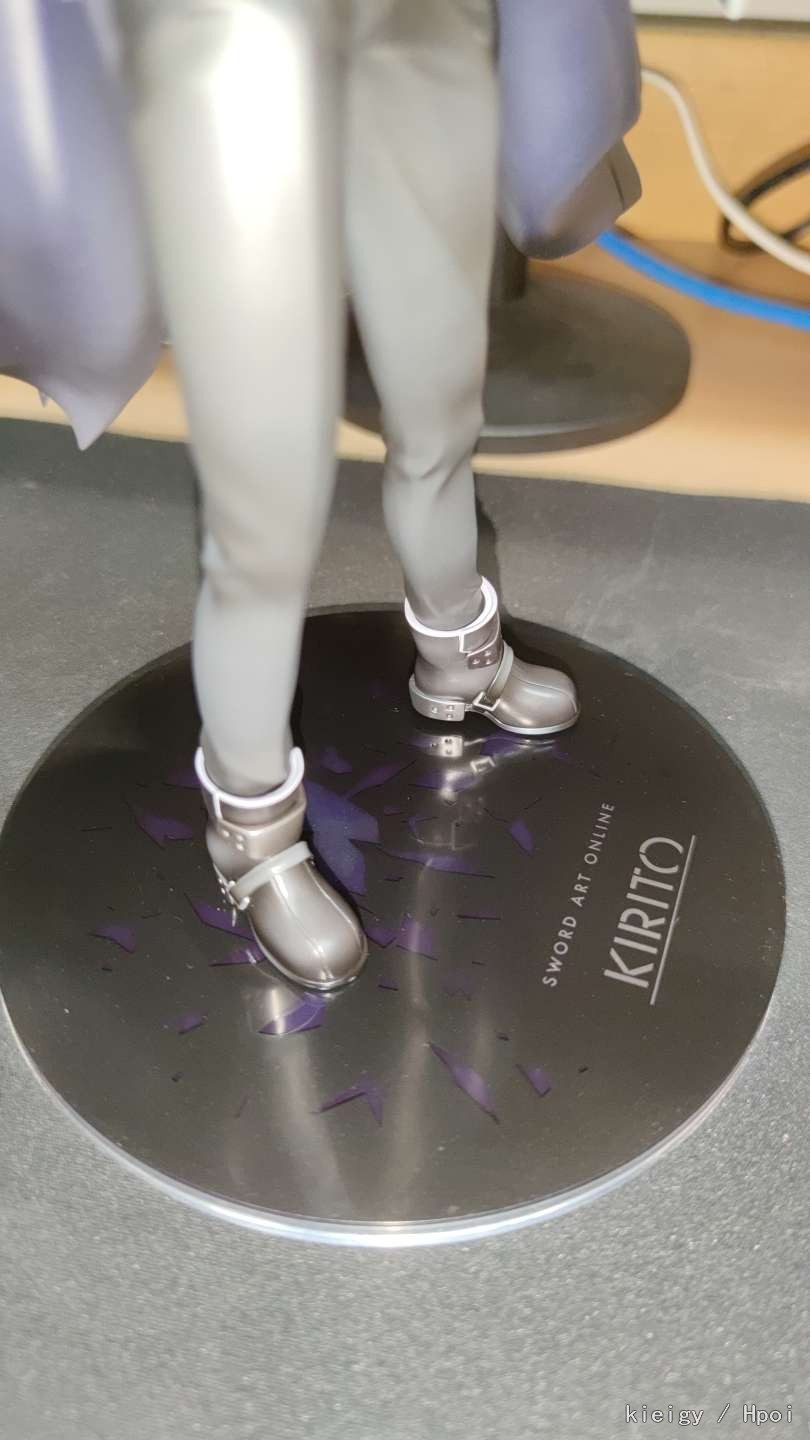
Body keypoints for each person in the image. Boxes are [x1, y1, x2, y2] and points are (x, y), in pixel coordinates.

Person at [110, 0, 581, 990]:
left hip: (421, 18)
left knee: (441, 401)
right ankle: (251, 827)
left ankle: (459, 656)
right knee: (265, 492)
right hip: (230, 29)